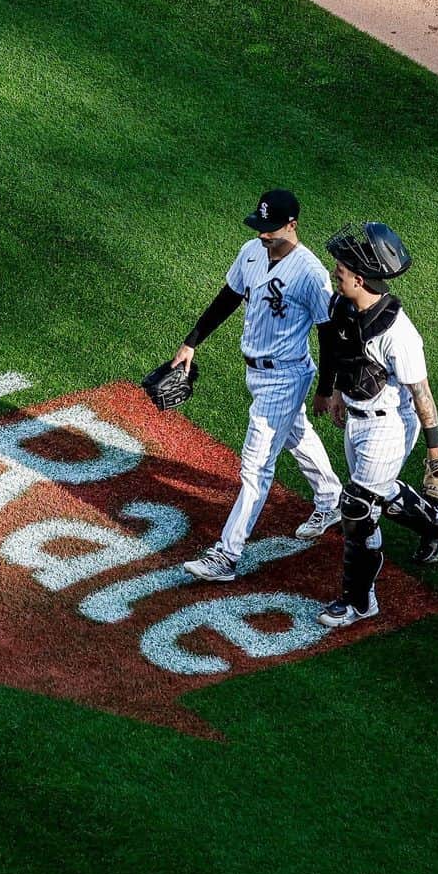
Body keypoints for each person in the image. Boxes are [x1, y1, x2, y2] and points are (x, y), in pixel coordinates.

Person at [172, 189, 344, 582]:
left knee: (255, 467)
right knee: (295, 435)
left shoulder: (311, 274)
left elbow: (329, 334)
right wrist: (191, 342)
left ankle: (227, 555)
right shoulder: (251, 251)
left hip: (286, 375)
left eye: (271, 229)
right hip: (257, 371)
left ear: (292, 225)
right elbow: (228, 298)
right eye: (261, 227)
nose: (264, 235)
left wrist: (327, 388)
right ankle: (331, 498)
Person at [310, 221, 438, 627]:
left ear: (361, 278)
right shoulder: (340, 305)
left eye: (341, 266)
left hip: (390, 425)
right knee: (379, 492)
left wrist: (436, 449)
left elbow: (422, 394)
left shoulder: (399, 333)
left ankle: (359, 602)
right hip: (356, 420)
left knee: (358, 507)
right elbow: (335, 349)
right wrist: (331, 390)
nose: (335, 268)